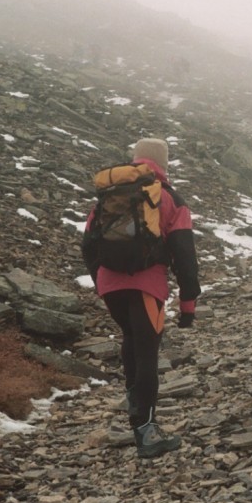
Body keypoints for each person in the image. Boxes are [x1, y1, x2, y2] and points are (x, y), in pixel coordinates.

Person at [82, 138, 201, 458]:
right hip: (147, 285)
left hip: (110, 285)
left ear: (136, 159)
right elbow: (185, 257)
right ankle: (146, 433)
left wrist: (102, 282)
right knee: (147, 350)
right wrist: (188, 305)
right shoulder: (171, 198)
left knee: (131, 339)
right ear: (163, 163)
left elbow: (88, 245)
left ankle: (138, 419)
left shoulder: (108, 196)